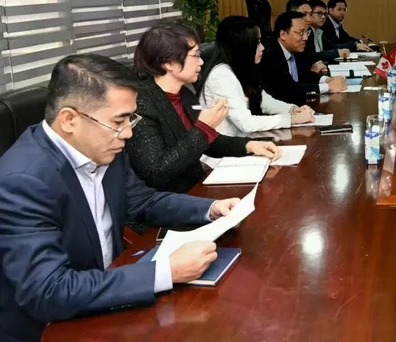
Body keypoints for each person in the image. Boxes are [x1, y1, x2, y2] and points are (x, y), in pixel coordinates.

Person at [0, 54, 243, 341]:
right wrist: (166, 271)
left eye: (131, 118)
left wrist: (212, 209)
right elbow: (48, 291)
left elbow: (144, 201)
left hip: (111, 298)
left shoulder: (103, 147)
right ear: (69, 120)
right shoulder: (23, 181)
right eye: (119, 120)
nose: (128, 132)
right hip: (52, 328)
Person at [127, 21, 281, 193]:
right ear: (169, 63)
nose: (201, 62)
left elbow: (208, 142)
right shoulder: (141, 104)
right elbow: (156, 171)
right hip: (169, 200)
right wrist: (203, 128)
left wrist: (249, 145)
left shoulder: (184, 94)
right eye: (195, 55)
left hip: (196, 186)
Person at [197, 16, 315, 137]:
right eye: (257, 43)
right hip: (226, 150)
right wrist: (291, 119)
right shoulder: (221, 76)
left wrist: (292, 110)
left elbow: (263, 101)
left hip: (245, 141)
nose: (262, 48)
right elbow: (245, 123)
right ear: (242, 46)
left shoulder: (241, 69)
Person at [262, 11, 347, 105]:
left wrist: (327, 79)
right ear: (283, 34)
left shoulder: (295, 50)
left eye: (307, 32)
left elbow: (303, 74)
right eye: (301, 33)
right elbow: (289, 88)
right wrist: (328, 87)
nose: (305, 38)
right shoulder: (269, 55)